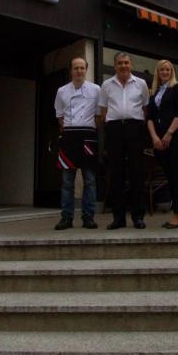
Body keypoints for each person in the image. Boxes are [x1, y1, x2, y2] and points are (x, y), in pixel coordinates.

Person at [99, 52, 150, 229]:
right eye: (120, 63)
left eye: (126, 63)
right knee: (116, 175)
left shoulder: (141, 84)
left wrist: (137, 126)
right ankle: (118, 218)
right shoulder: (106, 85)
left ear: (131, 64)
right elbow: (103, 110)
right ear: (115, 66)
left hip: (135, 128)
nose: (123, 66)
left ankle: (138, 217)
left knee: (137, 173)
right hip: (114, 130)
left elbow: (145, 108)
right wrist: (110, 126)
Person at [54, 57, 101, 230]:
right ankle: (66, 218)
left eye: (82, 68)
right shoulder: (61, 91)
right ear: (71, 70)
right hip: (69, 137)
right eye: (76, 68)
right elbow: (60, 116)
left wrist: (89, 129)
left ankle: (88, 217)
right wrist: (69, 131)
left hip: (88, 136)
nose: (79, 71)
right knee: (67, 182)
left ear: (86, 69)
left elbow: (99, 115)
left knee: (90, 180)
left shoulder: (96, 89)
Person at [147, 59, 178, 229]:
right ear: (157, 72)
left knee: (176, 176)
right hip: (159, 141)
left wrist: (169, 133)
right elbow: (149, 117)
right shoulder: (154, 92)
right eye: (162, 69)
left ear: (172, 72)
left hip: (175, 138)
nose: (165, 72)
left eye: (168, 69)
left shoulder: (177, 88)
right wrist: (155, 138)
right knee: (169, 177)